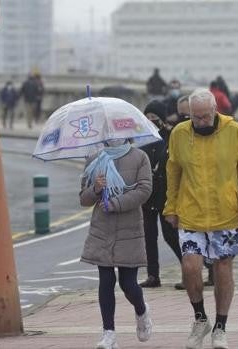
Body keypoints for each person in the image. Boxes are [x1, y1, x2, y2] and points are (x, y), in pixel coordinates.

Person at [164, 88, 238, 348]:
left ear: (215, 110)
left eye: (205, 117)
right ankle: (200, 319)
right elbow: (173, 171)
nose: (201, 122)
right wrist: (170, 207)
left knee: (222, 268)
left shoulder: (234, 131)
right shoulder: (180, 134)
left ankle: (220, 327)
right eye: (195, 118)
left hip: (225, 214)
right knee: (190, 266)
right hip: (191, 212)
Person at [79, 139, 154, 349]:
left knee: (128, 283)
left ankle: (142, 310)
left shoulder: (139, 157)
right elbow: (83, 198)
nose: (112, 136)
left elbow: (144, 190)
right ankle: (109, 334)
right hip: (102, 228)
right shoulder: (94, 160)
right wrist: (96, 188)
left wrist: (116, 203)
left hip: (129, 227)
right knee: (106, 279)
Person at [139, 100, 185, 290]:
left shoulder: (173, 135)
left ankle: (189, 270)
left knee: (171, 236)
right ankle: (152, 275)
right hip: (148, 195)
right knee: (149, 236)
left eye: (155, 118)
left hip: (167, 195)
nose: (151, 121)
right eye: (147, 117)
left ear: (162, 118)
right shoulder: (142, 138)